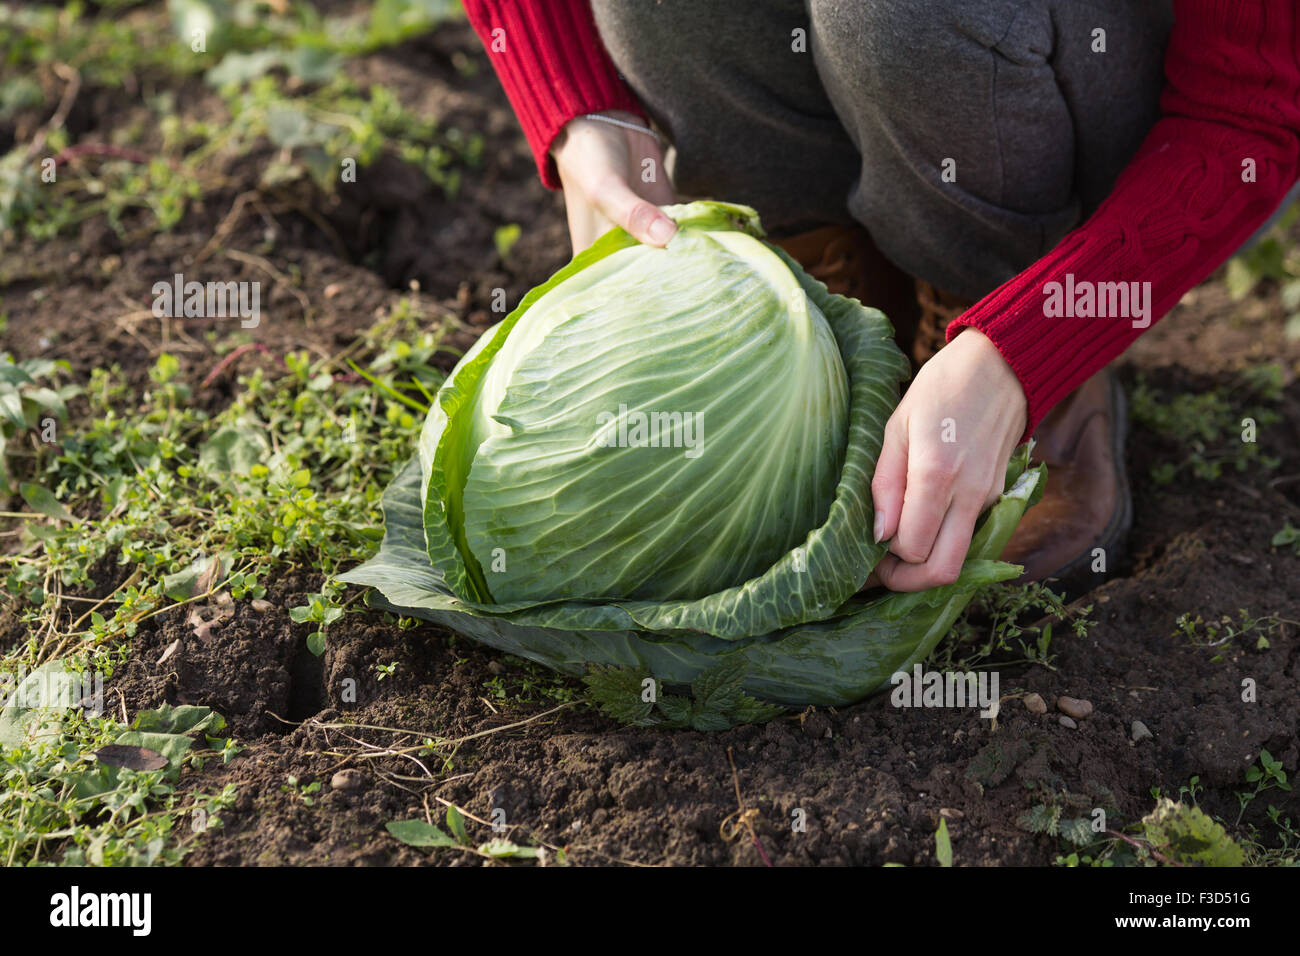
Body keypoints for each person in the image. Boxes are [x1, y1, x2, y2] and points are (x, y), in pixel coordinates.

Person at [463, 0, 1300, 593]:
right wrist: (581, 107)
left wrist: (1026, 348)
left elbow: (1251, 112)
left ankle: (1002, 310)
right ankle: (832, 286)